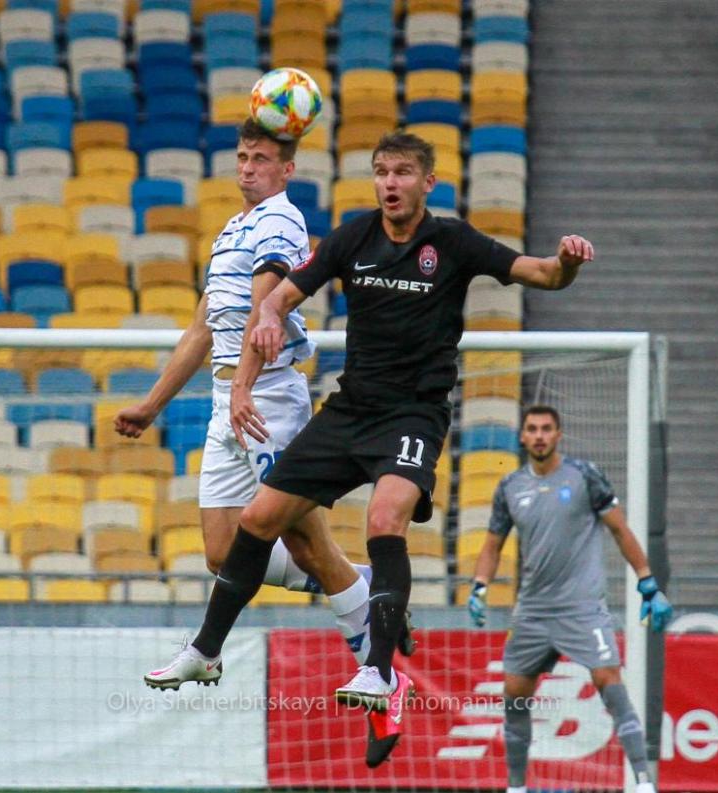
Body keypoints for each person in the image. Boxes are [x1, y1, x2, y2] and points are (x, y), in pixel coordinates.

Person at [146, 130, 595, 762]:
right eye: (382, 171)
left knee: (384, 521)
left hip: (413, 415)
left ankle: (380, 671)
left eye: (402, 172)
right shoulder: (352, 237)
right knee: (257, 520)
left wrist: (567, 262)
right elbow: (285, 291)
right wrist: (269, 314)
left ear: (427, 183)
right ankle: (206, 650)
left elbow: (542, 273)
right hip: (350, 409)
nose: (390, 183)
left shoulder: (453, 242)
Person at [121, 119, 407, 691]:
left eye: (260, 159)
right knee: (222, 552)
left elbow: (266, 307)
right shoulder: (233, 229)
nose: (248, 168)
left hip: (265, 397)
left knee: (303, 539)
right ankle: (358, 583)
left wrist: (245, 387)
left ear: (287, 169)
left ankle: (378, 668)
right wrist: (152, 405)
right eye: (242, 157)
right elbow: (203, 327)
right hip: (226, 400)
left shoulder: (280, 219)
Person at [467, 404, 672, 793]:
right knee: (514, 694)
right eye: (532, 429)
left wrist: (647, 580)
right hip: (532, 610)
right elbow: (493, 544)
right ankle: (516, 787)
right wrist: (479, 585)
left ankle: (643, 782)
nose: (539, 435)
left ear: (558, 435)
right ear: (523, 436)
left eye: (547, 429)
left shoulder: (585, 476)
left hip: (582, 607)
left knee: (609, 682)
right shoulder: (510, 486)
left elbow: (620, 530)